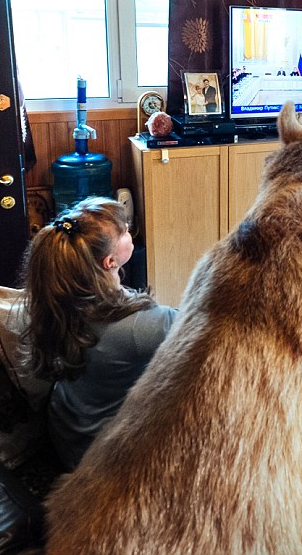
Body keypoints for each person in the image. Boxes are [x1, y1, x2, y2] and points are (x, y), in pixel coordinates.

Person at [18, 197, 177, 472]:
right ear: (109, 261)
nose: (130, 231)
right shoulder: (139, 326)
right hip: (102, 461)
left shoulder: (57, 300)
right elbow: (202, 326)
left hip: (68, 433)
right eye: (125, 231)